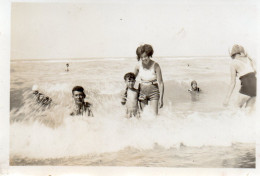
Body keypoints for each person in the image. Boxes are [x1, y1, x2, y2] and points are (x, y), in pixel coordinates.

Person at [134, 44, 164, 115]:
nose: (144, 59)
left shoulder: (156, 65)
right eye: (142, 57)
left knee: (154, 116)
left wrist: (161, 99)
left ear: (149, 55)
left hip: (154, 92)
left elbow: (161, 83)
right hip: (142, 91)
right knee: (144, 115)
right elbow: (131, 80)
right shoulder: (138, 66)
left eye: (145, 56)